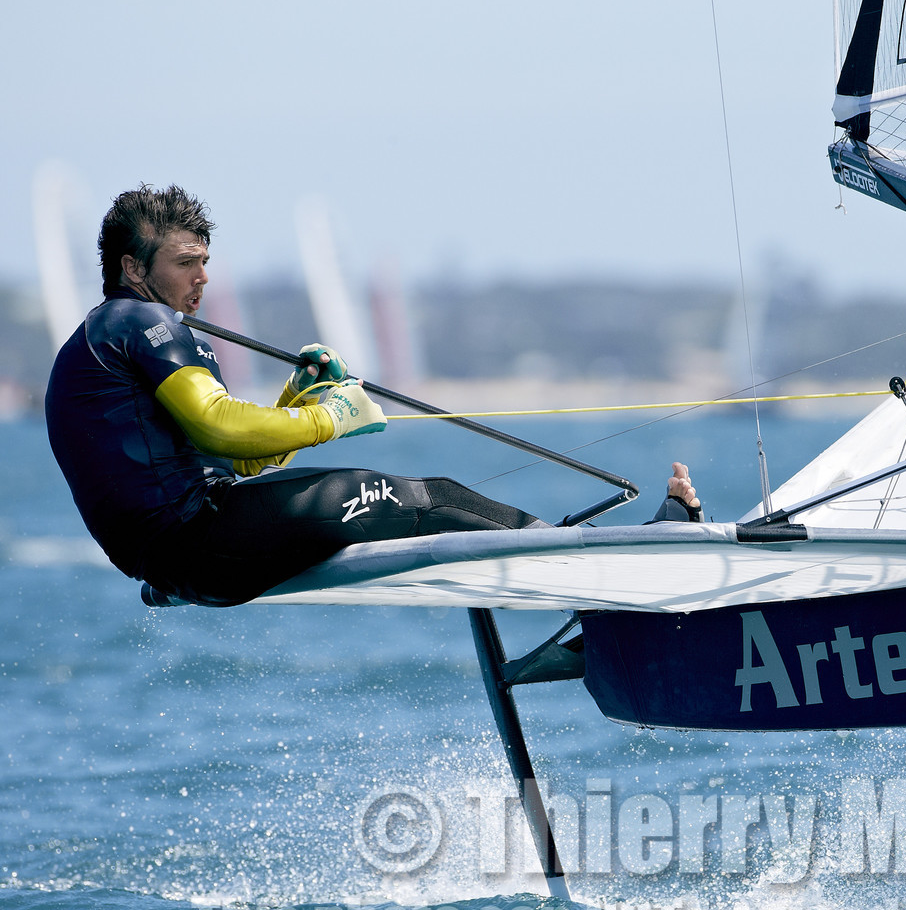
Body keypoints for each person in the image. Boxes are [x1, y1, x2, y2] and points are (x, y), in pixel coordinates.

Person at [46, 184, 701, 607]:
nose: (203, 276)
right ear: (135, 268)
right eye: (186, 261)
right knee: (425, 498)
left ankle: (588, 579)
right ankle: (615, 574)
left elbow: (228, 458)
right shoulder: (134, 322)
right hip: (197, 542)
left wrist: (295, 406)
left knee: (425, 501)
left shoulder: (109, 344)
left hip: (184, 559)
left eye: (206, 260)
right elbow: (219, 427)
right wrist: (332, 417)